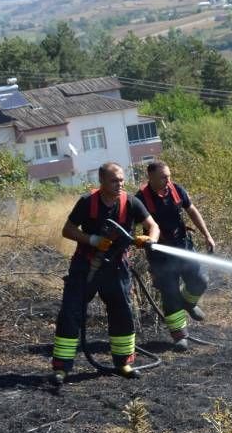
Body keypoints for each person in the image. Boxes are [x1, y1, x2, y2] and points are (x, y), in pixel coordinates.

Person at [50, 162, 159, 384]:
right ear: (101, 182)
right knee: (71, 312)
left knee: (122, 313)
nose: (120, 184)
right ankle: (61, 369)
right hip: (85, 266)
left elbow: (152, 225)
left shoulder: (130, 202)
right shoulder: (87, 202)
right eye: (114, 180)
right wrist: (92, 240)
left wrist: (150, 239)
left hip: (117, 267)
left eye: (121, 179)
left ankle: (123, 363)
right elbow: (67, 230)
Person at [138, 160, 216, 351]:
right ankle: (179, 336)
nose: (168, 180)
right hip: (160, 254)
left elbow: (192, 211)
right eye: (163, 177)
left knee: (200, 280)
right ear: (151, 177)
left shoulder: (176, 190)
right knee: (170, 294)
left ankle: (188, 302)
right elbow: (132, 224)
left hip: (183, 246)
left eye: (169, 176)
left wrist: (207, 235)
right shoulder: (141, 199)